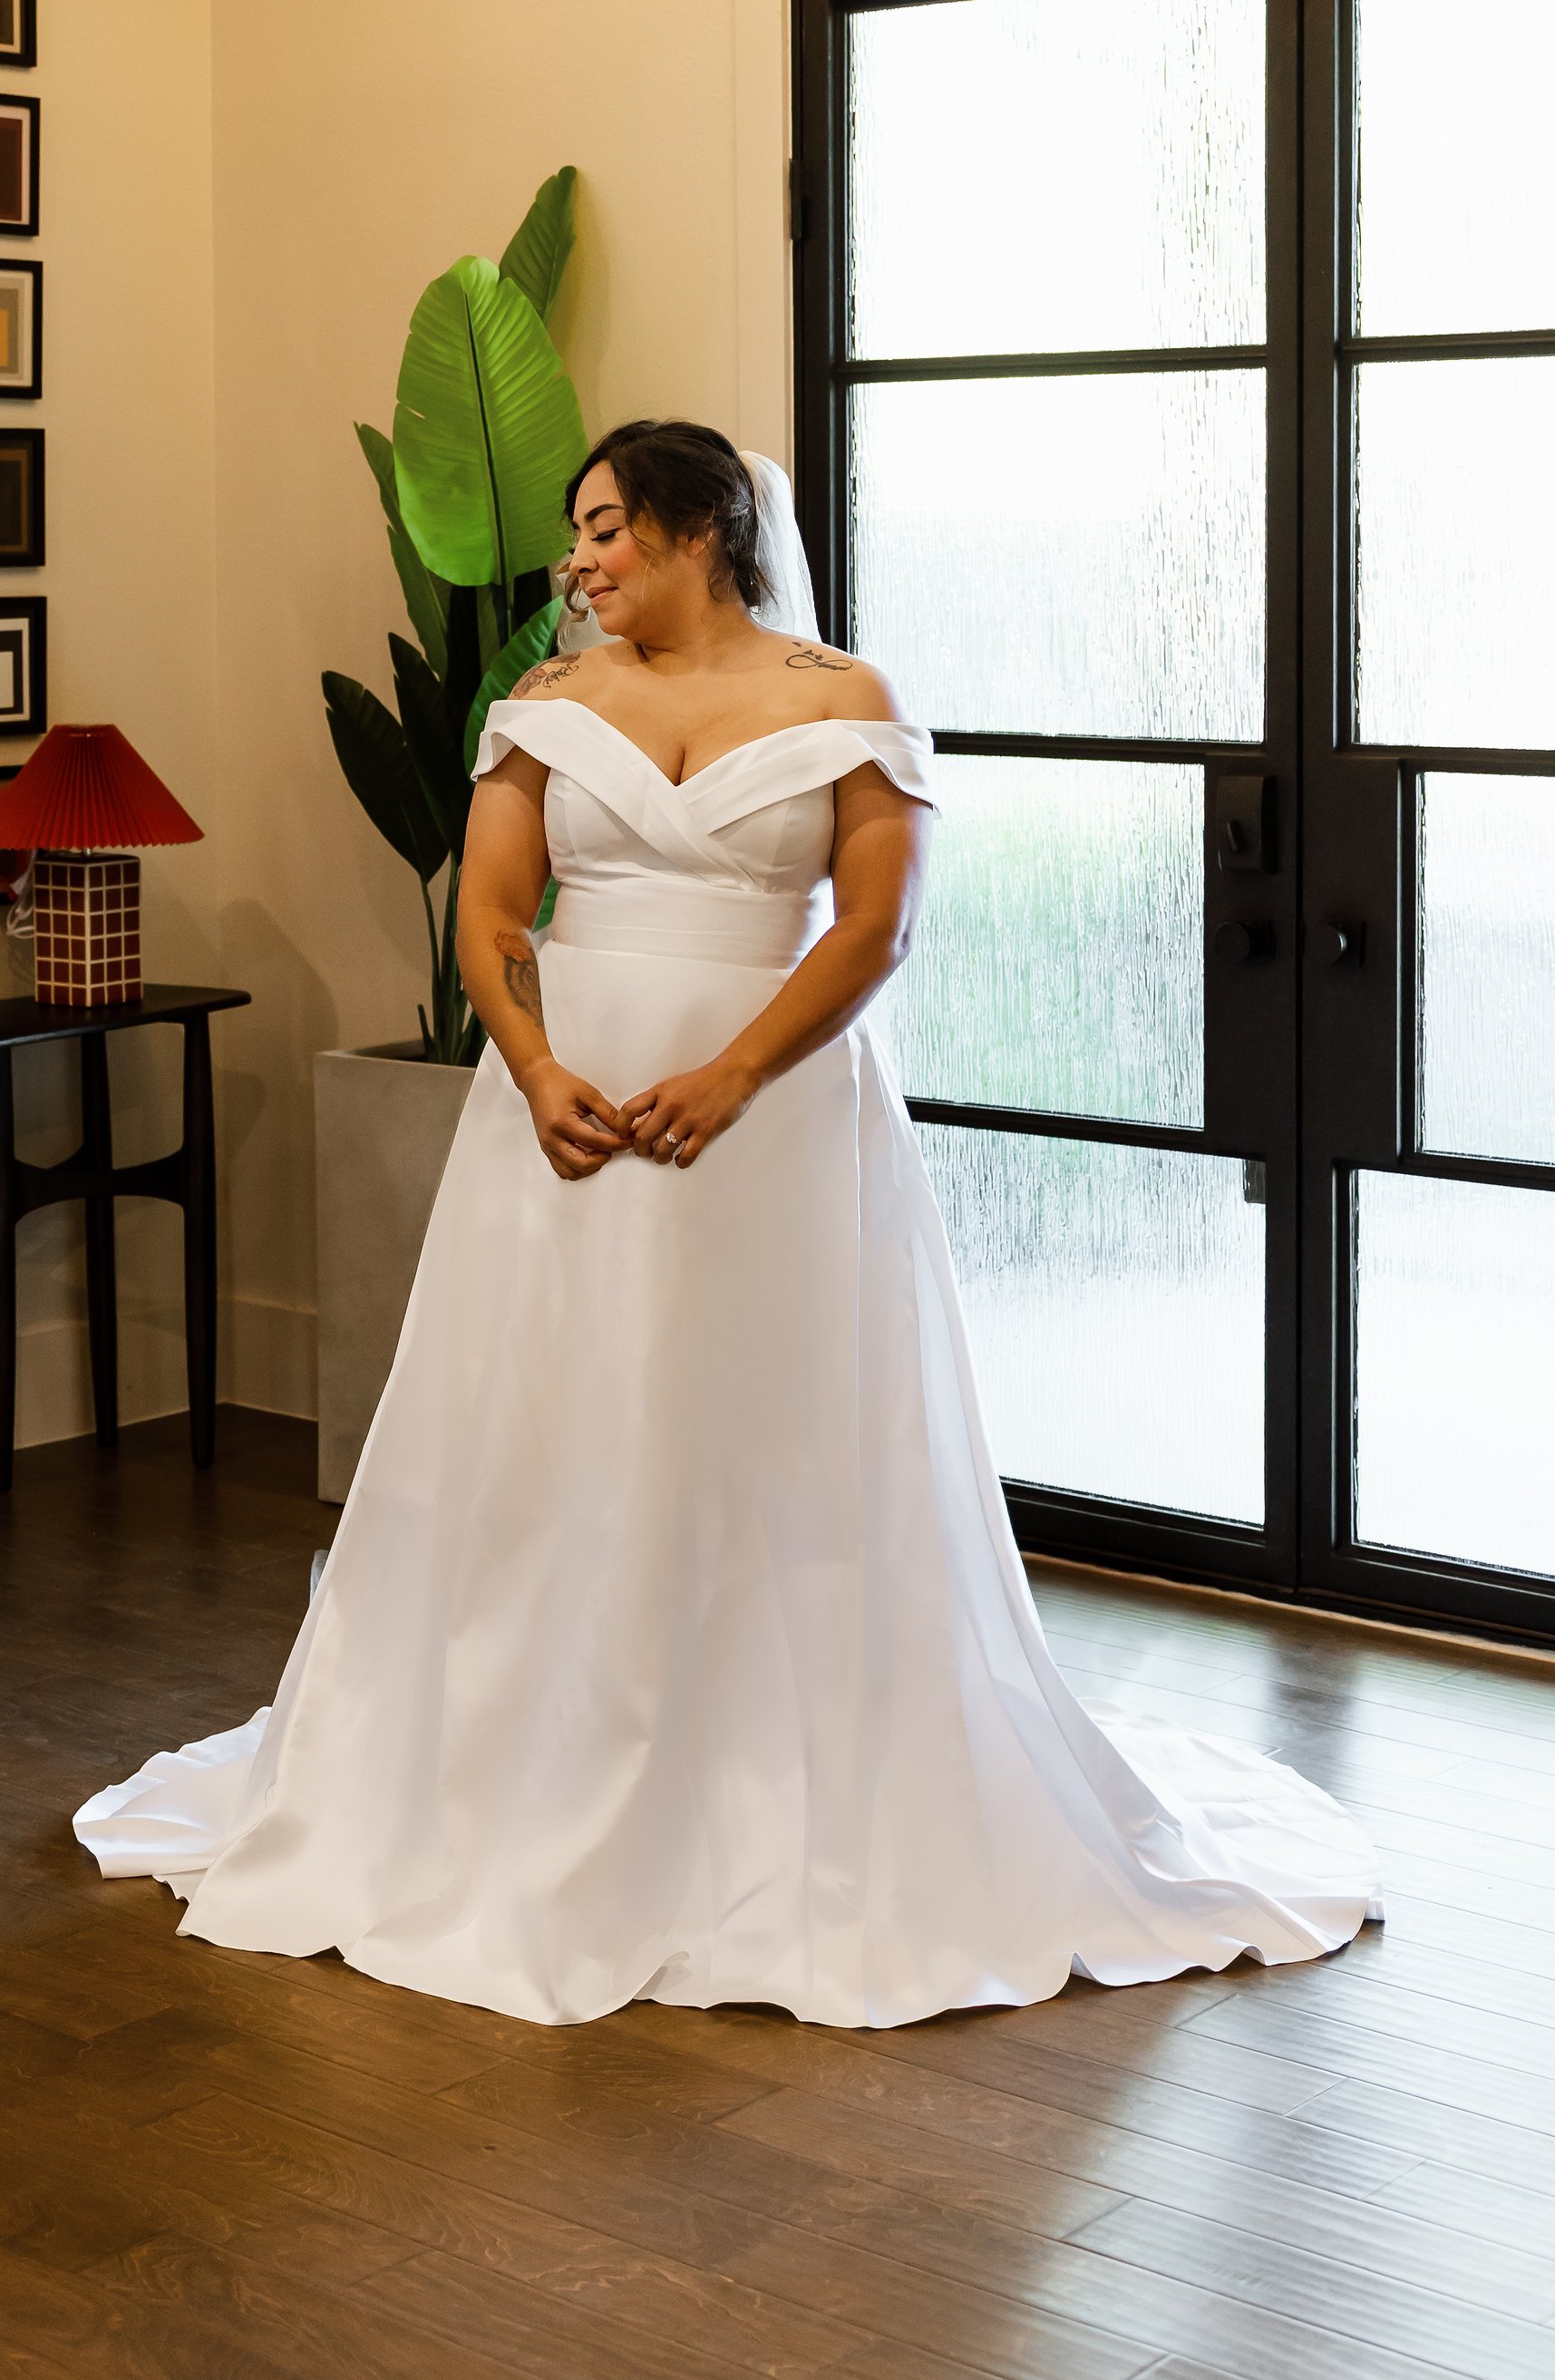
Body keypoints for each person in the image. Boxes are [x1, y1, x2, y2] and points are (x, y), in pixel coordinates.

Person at [76, 420, 1378, 2026]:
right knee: (550, 1420)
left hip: (776, 1122)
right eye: (578, 533)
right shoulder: (549, 704)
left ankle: (770, 1777)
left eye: (606, 527)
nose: (580, 561)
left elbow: (877, 926)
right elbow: (492, 913)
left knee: (765, 1430)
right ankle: (518, 1761)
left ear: (704, 526)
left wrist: (736, 1072)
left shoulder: (844, 700)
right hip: (563, 1122)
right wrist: (535, 1068)